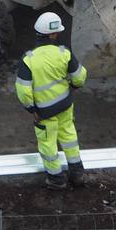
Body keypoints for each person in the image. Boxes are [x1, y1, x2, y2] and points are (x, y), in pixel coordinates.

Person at [15, 12, 88, 190]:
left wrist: (32, 109)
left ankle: (56, 180)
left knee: (48, 144)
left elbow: (23, 91)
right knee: (69, 137)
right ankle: (78, 174)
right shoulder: (64, 53)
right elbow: (80, 77)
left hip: (43, 113)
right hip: (65, 106)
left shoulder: (29, 60)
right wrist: (73, 87)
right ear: (54, 34)